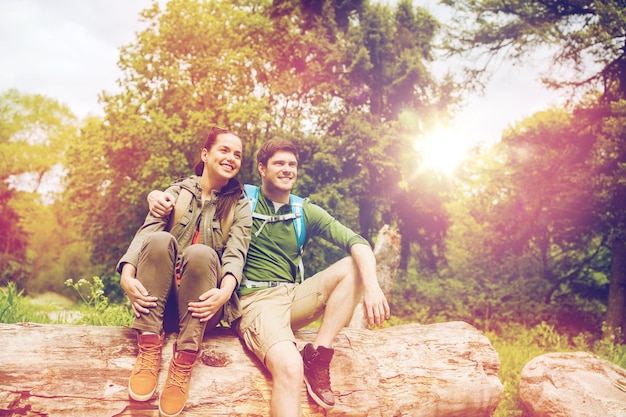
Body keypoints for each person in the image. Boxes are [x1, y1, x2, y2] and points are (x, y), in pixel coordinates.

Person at [148, 139, 390, 416]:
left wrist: (372, 287)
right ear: (262, 168)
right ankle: (299, 364)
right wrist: (155, 195)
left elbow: (357, 241)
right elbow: (197, 186)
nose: (287, 169)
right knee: (289, 367)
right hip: (254, 302)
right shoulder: (240, 197)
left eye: (292, 164)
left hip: (292, 295)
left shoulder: (304, 211)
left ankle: (318, 356)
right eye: (279, 163)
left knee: (354, 265)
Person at [118, 126, 252, 417]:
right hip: (160, 304)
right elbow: (144, 236)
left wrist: (224, 293)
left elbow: (236, 254)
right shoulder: (174, 194)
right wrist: (127, 276)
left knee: (201, 253)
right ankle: (149, 346)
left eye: (238, 154)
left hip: (204, 309)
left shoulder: (240, 206)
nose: (231, 158)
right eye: (224, 150)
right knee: (159, 239)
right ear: (205, 154)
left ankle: (185, 359)